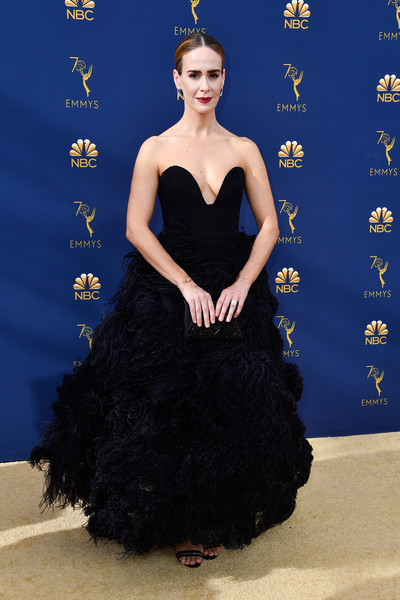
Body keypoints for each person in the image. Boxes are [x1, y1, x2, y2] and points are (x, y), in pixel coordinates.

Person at [29, 33, 313, 569]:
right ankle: (181, 522)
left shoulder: (244, 148)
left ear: (224, 79)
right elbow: (137, 227)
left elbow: (271, 226)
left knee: (232, 399)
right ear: (176, 79)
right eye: (194, 74)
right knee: (171, 402)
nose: (204, 85)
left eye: (214, 74)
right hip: (168, 285)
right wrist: (185, 284)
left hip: (233, 284)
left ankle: (213, 516)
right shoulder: (155, 149)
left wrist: (241, 284)